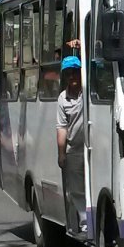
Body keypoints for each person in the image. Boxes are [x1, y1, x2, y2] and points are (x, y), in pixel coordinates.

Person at [56, 55, 86, 236]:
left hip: (95, 147)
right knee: (76, 189)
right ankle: (85, 222)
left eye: (75, 72)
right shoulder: (62, 99)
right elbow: (61, 128)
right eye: (69, 73)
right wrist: (61, 154)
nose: (73, 76)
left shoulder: (89, 90)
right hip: (74, 149)